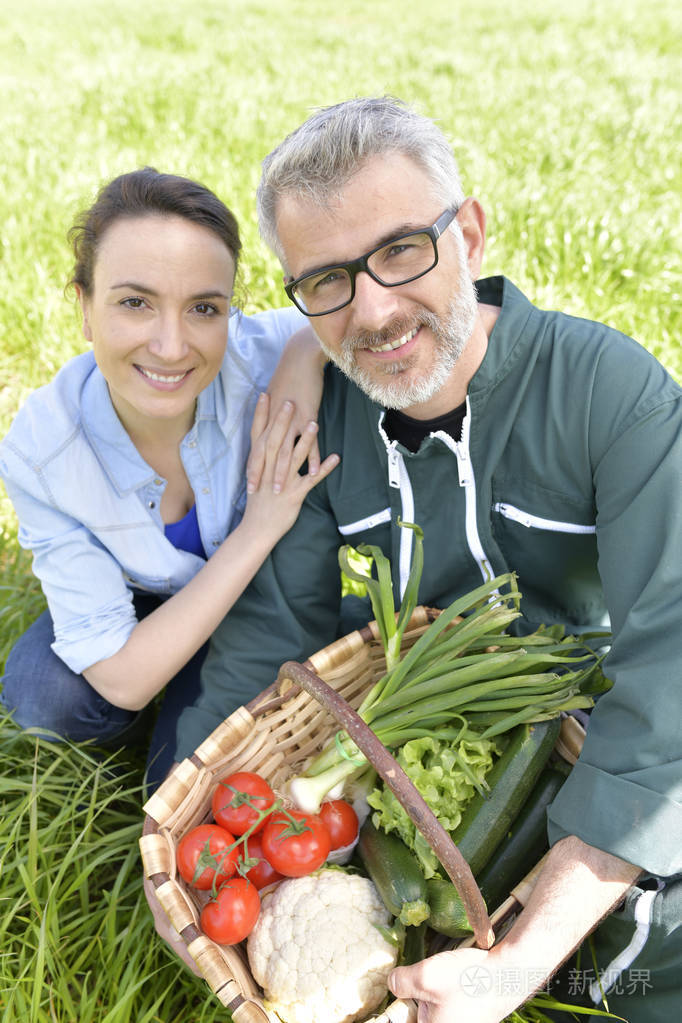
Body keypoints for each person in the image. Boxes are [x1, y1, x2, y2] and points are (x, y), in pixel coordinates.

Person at [172, 99, 682, 1020]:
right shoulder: (323, 422)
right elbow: (267, 639)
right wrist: (184, 827)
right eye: (325, 280)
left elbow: (672, 669)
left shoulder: (609, 392)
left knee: (647, 967)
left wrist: (515, 963)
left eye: (402, 249)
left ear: (472, 232)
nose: (372, 308)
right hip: (410, 777)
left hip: (597, 753)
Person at [0, 167, 338, 791]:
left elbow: (364, 311)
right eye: (135, 302)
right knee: (43, 701)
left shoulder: (259, 358)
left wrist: (303, 355)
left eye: (203, 308)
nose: (171, 345)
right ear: (83, 308)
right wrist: (259, 528)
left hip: (264, 600)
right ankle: (167, 700)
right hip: (140, 596)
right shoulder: (44, 453)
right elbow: (119, 675)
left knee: (199, 782)